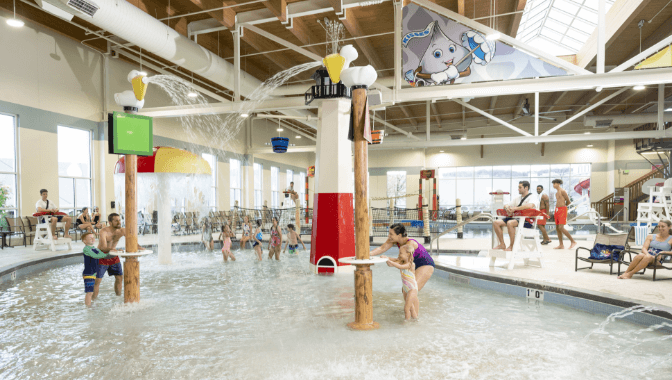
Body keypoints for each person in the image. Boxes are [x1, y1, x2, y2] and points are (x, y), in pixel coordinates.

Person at [370, 223, 434, 291]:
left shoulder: (410, 244)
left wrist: (389, 259)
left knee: (411, 289)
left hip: (425, 265)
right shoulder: (394, 240)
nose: (389, 236)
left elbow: (401, 261)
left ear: (399, 235)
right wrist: (368, 254)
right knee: (405, 290)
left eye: (391, 234)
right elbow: (382, 248)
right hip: (413, 264)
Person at [95, 213, 144, 299]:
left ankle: (118, 298)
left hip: (113, 256)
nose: (119, 222)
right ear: (110, 222)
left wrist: (139, 247)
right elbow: (103, 247)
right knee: (97, 281)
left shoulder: (122, 230)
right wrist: (116, 250)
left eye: (119, 220)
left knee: (119, 278)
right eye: (116, 220)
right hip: (101, 257)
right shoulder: (104, 231)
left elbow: (132, 240)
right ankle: (92, 302)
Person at [492, 181, 539, 251]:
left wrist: (515, 208)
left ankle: (512, 246)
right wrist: (507, 208)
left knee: (510, 223)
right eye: (518, 187)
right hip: (516, 219)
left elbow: (530, 205)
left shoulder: (533, 197)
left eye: (520, 187)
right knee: (496, 223)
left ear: (526, 188)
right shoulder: (517, 198)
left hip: (527, 221)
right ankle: (502, 244)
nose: (518, 189)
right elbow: (506, 205)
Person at [381, 244, 419, 320]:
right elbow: (390, 264)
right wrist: (385, 258)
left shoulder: (410, 264)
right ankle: (415, 321)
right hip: (405, 289)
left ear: (408, 254)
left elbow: (399, 266)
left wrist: (389, 260)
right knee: (411, 308)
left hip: (412, 289)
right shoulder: (401, 262)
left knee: (406, 309)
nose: (399, 255)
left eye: (401, 253)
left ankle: (406, 323)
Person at [81, 232, 117, 306]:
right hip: (88, 273)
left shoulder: (94, 248)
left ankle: (90, 304)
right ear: (84, 241)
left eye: (93, 237)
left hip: (93, 273)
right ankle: (88, 308)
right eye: (90, 238)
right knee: (89, 292)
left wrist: (113, 253)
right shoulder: (86, 249)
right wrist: (109, 254)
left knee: (92, 290)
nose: (93, 239)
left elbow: (102, 255)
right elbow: (95, 256)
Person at [552, 179, 577, 250]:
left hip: (562, 210)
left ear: (558, 183)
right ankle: (561, 245)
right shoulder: (556, 193)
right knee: (557, 228)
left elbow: (568, 201)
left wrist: (563, 208)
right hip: (557, 210)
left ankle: (573, 241)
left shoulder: (563, 191)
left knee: (561, 227)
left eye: (554, 184)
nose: (553, 185)